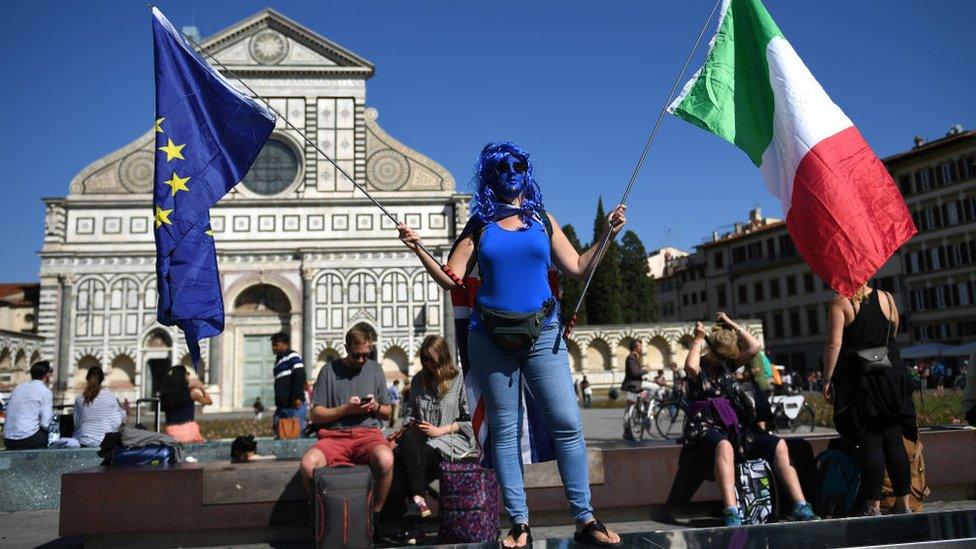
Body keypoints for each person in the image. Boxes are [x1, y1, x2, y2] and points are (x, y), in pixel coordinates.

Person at [397, 142, 625, 547]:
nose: (511, 171)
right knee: (504, 430)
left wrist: (606, 234)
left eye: (518, 164)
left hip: (543, 336)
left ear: (527, 170)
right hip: (491, 339)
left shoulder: (543, 219)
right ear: (490, 174)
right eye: (502, 166)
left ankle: (585, 519)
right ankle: (519, 523)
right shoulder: (479, 226)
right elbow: (453, 278)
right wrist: (417, 248)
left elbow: (577, 267)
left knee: (568, 425)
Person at [683, 313, 818, 526]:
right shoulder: (699, 365)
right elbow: (690, 367)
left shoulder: (727, 363)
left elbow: (754, 346)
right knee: (724, 446)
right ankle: (731, 511)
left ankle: (800, 505)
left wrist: (731, 325)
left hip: (735, 424)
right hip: (704, 424)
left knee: (779, 445)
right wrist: (698, 339)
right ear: (715, 351)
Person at [822, 284, 917, 516]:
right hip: (892, 376)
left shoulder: (840, 302)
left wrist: (827, 379)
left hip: (862, 380)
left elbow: (834, 344)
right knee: (894, 439)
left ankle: (873, 506)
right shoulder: (887, 298)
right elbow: (892, 331)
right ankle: (903, 503)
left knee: (871, 442)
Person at [299, 327, 393, 522]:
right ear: (346, 348)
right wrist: (346, 409)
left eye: (366, 355)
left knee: (385, 459)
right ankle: (319, 516)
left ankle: (376, 515)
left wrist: (375, 405)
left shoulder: (375, 369)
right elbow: (316, 415)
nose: (361, 360)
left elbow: (388, 412)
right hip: (334, 437)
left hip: (368, 435)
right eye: (356, 355)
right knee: (308, 465)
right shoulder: (328, 371)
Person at [394, 335, 476, 524]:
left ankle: (413, 522)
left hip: (451, 440)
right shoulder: (417, 381)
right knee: (410, 439)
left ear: (443, 356)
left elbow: (469, 421)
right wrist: (412, 423)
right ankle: (419, 500)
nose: (428, 363)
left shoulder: (459, 379)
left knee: (403, 466)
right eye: (424, 359)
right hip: (423, 440)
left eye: (431, 358)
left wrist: (439, 431)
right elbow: (408, 415)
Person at [3, 361, 53, 450]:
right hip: (26, 439)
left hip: (8, 439)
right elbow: (46, 423)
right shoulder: (45, 391)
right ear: (46, 375)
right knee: (55, 434)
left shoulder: (18, 388)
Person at [72, 366, 125, 447]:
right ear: (102, 379)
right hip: (103, 442)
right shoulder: (109, 396)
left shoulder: (79, 399)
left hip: (82, 440)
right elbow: (117, 421)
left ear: (87, 378)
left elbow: (76, 423)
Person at [159, 366, 210, 443]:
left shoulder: (166, 394)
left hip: (171, 431)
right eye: (187, 374)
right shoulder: (192, 393)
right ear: (184, 376)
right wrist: (201, 388)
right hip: (189, 431)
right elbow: (209, 401)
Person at [271, 332, 307, 437]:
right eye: (273, 345)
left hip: (294, 405)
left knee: (296, 435)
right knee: (283, 435)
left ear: (285, 344)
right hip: (282, 407)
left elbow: (300, 375)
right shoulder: (277, 362)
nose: (273, 348)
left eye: (276, 345)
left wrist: (297, 396)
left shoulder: (292, 356)